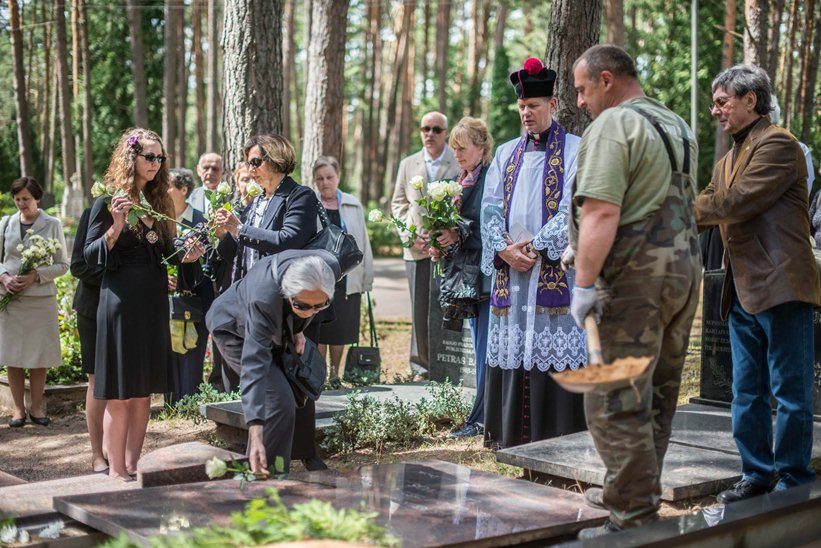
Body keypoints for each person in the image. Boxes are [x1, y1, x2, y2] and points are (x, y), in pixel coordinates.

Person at [568, 45, 700, 538]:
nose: (579, 101)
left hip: (634, 281)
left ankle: (631, 519)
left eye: (582, 90)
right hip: (682, 274)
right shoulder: (674, 123)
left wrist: (583, 282)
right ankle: (633, 490)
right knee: (659, 393)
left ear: (606, 80)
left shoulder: (613, 125)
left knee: (614, 396)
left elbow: (601, 211)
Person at [695, 65, 821, 504]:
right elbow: (711, 201)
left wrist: (677, 211)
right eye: (714, 102)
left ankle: (793, 478)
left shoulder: (781, 144)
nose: (715, 111)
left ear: (751, 100)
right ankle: (756, 473)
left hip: (782, 284)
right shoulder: (727, 159)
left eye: (722, 101)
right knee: (745, 391)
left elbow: (735, 200)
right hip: (740, 289)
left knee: (789, 390)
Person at [480, 57, 588, 450]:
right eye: (523, 106)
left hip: (551, 268)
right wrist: (503, 250)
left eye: (534, 106)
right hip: (513, 270)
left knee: (551, 345)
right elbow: (490, 207)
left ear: (553, 105)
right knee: (513, 346)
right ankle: (508, 436)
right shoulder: (506, 153)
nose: (527, 113)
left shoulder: (576, 150)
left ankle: (556, 436)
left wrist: (537, 246)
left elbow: (573, 206)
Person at [84, 128, 204, 480]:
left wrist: (189, 255)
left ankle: (134, 468)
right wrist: (117, 226)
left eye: (159, 158)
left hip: (152, 303)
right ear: (130, 157)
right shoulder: (109, 201)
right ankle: (115, 471)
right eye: (149, 156)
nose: (155, 163)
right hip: (120, 302)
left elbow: (168, 252)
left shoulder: (160, 201)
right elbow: (89, 257)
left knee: (142, 395)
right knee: (121, 394)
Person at [214, 133, 325, 471]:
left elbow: (288, 241)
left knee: (295, 377)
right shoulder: (258, 200)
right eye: (249, 163)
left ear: (276, 160)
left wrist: (241, 228)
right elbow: (241, 248)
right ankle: (270, 457)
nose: (251, 169)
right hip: (257, 301)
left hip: (292, 303)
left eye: (255, 162)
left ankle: (304, 453)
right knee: (272, 380)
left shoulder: (299, 196)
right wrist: (226, 236)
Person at [207, 250, 337, 475]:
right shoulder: (263, 298)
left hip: (278, 322)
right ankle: (265, 476)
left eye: (319, 306)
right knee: (277, 398)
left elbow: (307, 305)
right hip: (234, 328)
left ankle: (303, 454)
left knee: (299, 386)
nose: (310, 313)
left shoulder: (327, 268)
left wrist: (297, 329)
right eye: (303, 306)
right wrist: (256, 432)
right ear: (288, 294)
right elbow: (254, 367)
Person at [430, 117, 493, 439]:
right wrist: (438, 245)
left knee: (484, 350)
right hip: (462, 279)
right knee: (478, 345)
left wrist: (457, 234)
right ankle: (480, 414)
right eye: (453, 148)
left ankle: (481, 418)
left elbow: (491, 229)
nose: (456, 154)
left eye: (462, 147)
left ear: (481, 147)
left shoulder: (490, 180)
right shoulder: (461, 180)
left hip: (485, 278)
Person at [390, 111, 459, 378]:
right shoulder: (408, 164)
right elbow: (398, 204)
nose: (430, 134)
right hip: (416, 251)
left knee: (447, 306)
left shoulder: (457, 160)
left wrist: (450, 235)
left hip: (449, 250)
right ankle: (420, 367)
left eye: (436, 129)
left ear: (445, 133)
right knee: (419, 310)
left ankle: (446, 364)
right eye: (425, 128)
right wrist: (410, 235)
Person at [0, 177, 68, 428]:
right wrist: (4, 277)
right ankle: (18, 410)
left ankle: (37, 408)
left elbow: (63, 265)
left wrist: (36, 275)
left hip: (40, 301)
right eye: (17, 199)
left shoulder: (52, 224)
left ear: (37, 198)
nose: (21, 203)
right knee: (13, 356)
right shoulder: (5, 223)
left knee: (39, 357)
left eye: (26, 199)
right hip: (10, 300)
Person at [312, 155, 374, 379]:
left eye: (329, 177)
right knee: (320, 328)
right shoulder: (311, 204)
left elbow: (363, 241)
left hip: (348, 277)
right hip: (319, 276)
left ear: (338, 177)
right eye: (319, 178)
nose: (325, 182)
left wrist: (367, 278)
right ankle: (320, 374)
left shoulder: (352, 203)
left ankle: (335, 376)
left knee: (340, 329)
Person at [165, 168, 213, 403]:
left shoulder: (200, 222)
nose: (164, 191)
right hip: (166, 297)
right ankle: (171, 401)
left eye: (169, 186)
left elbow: (207, 263)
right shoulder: (161, 221)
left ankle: (190, 399)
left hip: (195, 296)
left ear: (183, 190)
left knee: (193, 348)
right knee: (169, 349)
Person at [70, 206, 107, 471]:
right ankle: (97, 453)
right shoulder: (93, 212)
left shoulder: (145, 213)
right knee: (96, 380)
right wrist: (116, 278)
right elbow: (78, 266)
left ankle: (113, 448)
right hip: (92, 309)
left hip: (128, 311)